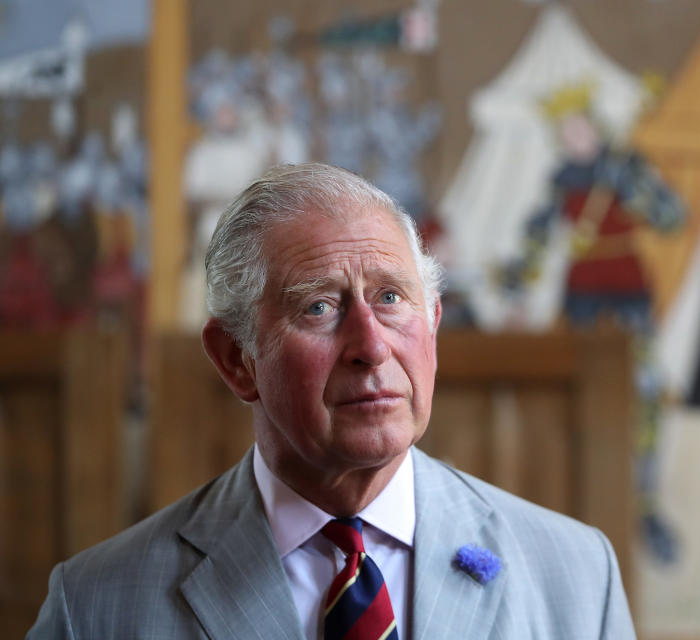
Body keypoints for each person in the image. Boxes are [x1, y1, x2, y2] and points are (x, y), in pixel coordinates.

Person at [28, 163, 635, 639]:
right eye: (319, 306)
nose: (371, 346)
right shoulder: (95, 607)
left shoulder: (577, 576)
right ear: (236, 360)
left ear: (434, 326)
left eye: (392, 298)